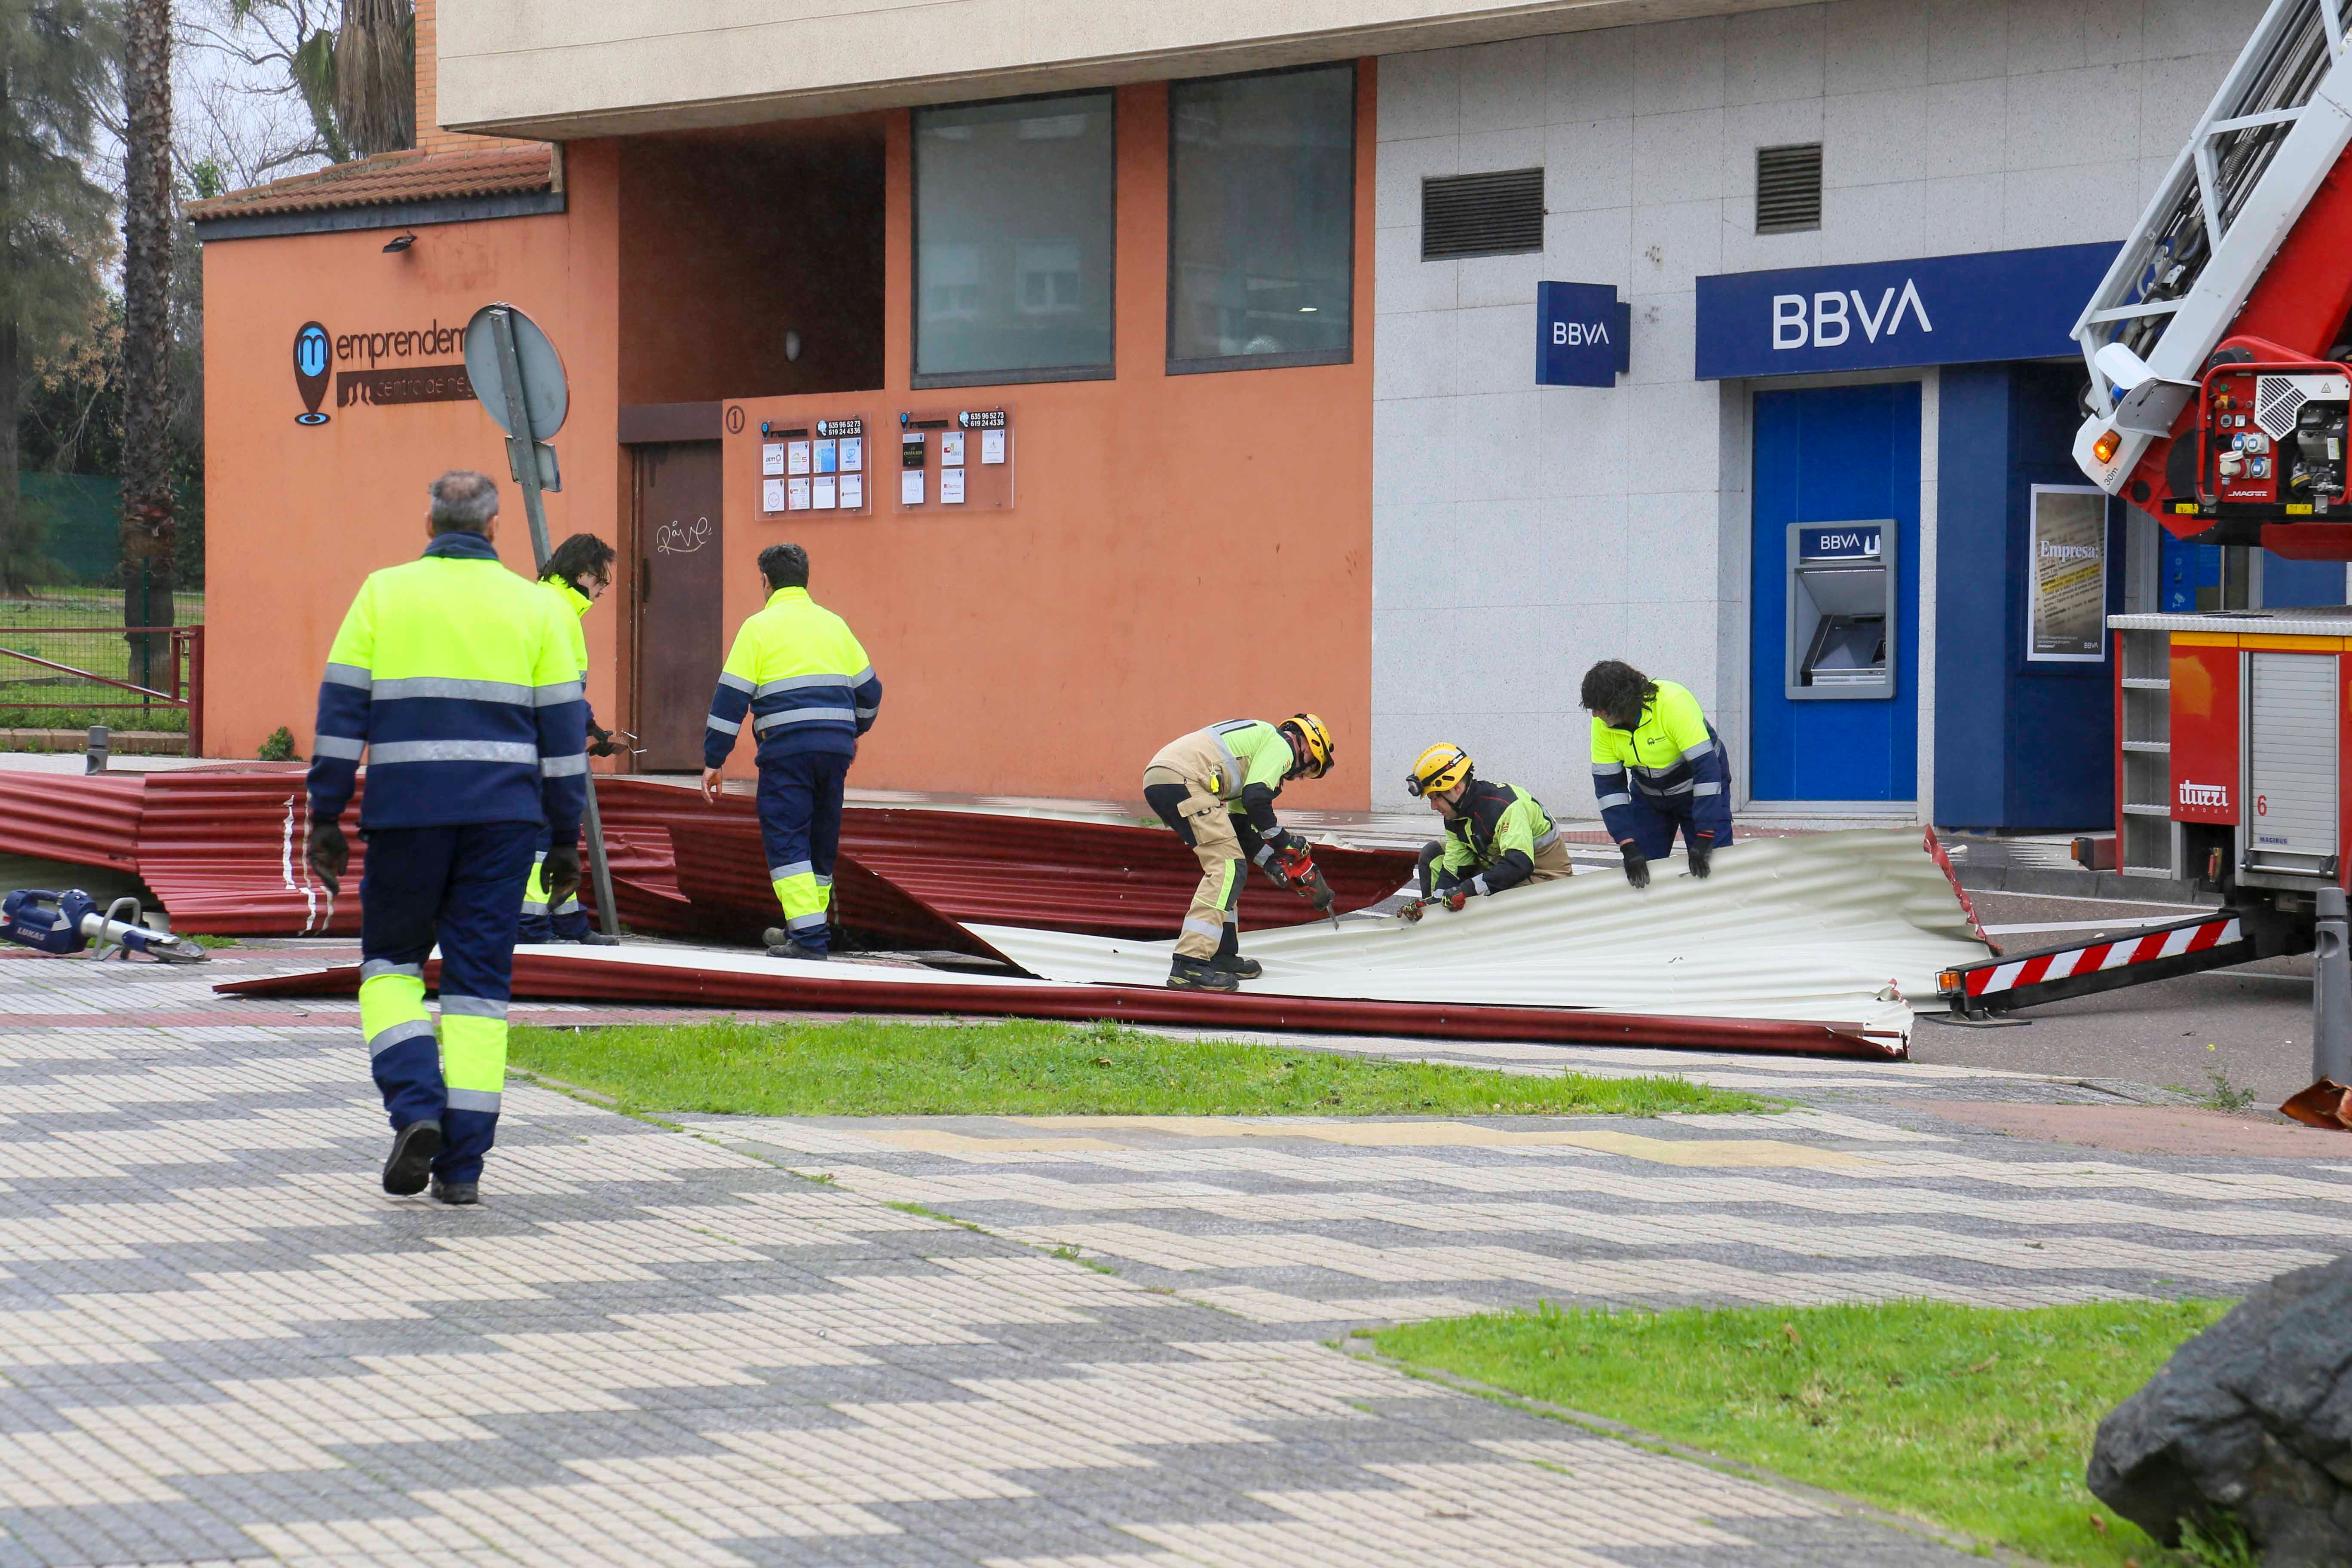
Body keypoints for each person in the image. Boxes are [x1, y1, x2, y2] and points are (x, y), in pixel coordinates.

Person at [304, 470, 588, 1206]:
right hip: (504, 827)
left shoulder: (382, 594)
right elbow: (565, 739)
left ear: (429, 525)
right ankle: (462, 1170)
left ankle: (416, 1106)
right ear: (494, 529)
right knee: (479, 990)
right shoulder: (538, 608)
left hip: (405, 816)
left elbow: (341, 712)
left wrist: (325, 814)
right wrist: (566, 838)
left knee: (390, 967)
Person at [701, 543, 881, 960]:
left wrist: (714, 760)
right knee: (821, 839)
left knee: (787, 839)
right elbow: (871, 692)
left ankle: (809, 939)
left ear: (766, 581)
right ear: (804, 580)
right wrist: (852, 729)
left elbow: (730, 700)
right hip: (835, 752)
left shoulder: (758, 628)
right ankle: (805, 927)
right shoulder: (835, 625)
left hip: (786, 753)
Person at [1140, 714, 1336, 991]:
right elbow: (1257, 799)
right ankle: (1189, 964)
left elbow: (1242, 828)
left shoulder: (1256, 753)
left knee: (1232, 865)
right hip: (1183, 779)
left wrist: (1273, 862)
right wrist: (1286, 842)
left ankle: (1221, 956)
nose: (1304, 776)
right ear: (1307, 744)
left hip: (1167, 778)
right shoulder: (1281, 744)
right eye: (1312, 766)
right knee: (1227, 867)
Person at [518, 532, 624, 946]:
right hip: (544, 740)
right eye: (601, 580)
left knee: (555, 835)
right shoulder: (559, 613)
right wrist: (583, 723)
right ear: (582, 574)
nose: (603, 590)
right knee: (545, 835)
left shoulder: (543, 602)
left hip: (535, 733)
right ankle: (532, 925)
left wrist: (587, 723)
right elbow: (556, 688)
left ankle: (567, 921)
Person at [1580, 659, 1732, 888]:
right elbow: (1609, 789)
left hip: (1698, 789)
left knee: (1715, 868)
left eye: (1599, 708)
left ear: (1622, 701)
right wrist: (1627, 845)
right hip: (1650, 797)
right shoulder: (1603, 724)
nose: (1595, 715)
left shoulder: (1673, 703)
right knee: (1642, 869)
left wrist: (1706, 834)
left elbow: (1707, 771)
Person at [1399, 742, 1571, 918]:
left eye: (1435, 797)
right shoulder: (1455, 816)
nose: (1433, 806)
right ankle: (1435, 923)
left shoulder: (1506, 806)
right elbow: (1454, 868)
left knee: (1484, 897)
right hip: (1501, 866)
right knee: (1433, 854)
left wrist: (1466, 890)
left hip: (1543, 877)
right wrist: (1434, 905)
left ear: (1456, 788)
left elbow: (1519, 865)